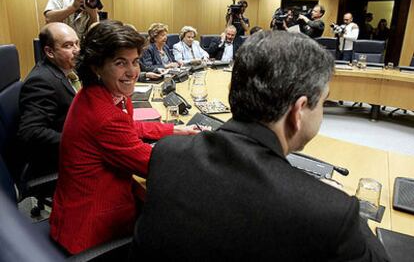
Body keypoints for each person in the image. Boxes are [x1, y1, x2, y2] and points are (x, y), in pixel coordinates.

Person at [129, 31, 389, 261]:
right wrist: (346, 208)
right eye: (323, 103)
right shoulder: (329, 211)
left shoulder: (168, 153)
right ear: (299, 111)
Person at [49, 20, 199, 255]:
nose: (132, 72)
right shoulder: (104, 115)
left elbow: (129, 128)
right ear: (97, 67)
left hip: (84, 204)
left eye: (135, 61)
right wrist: (204, 155)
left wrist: (173, 130)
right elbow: (153, 165)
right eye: (121, 63)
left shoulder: (104, 93)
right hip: (91, 230)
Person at [17, 22, 80, 182]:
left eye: (77, 43)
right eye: (68, 45)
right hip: (60, 161)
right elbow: (31, 132)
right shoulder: (41, 81)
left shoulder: (66, 71)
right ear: (49, 52)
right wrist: (81, 142)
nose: (77, 50)